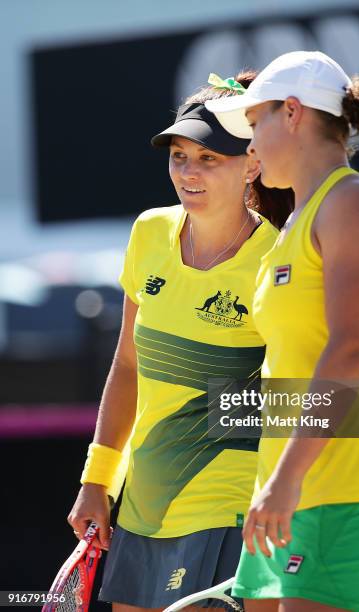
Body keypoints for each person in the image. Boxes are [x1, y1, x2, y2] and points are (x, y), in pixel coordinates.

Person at [67, 71, 293, 611]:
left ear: (253, 165)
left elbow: (304, 394)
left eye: (209, 158)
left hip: (234, 505)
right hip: (144, 505)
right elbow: (127, 364)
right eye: (179, 156)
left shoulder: (281, 261)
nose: (188, 173)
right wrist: (97, 480)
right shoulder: (148, 232)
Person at [206, 51, 359, 612]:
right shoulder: (296, 225)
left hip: (355, 492)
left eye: (256, 125)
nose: (249, 145)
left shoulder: (353, 200)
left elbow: (350, 350)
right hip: (292, 491)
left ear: (294, 113)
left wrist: (284, 479)